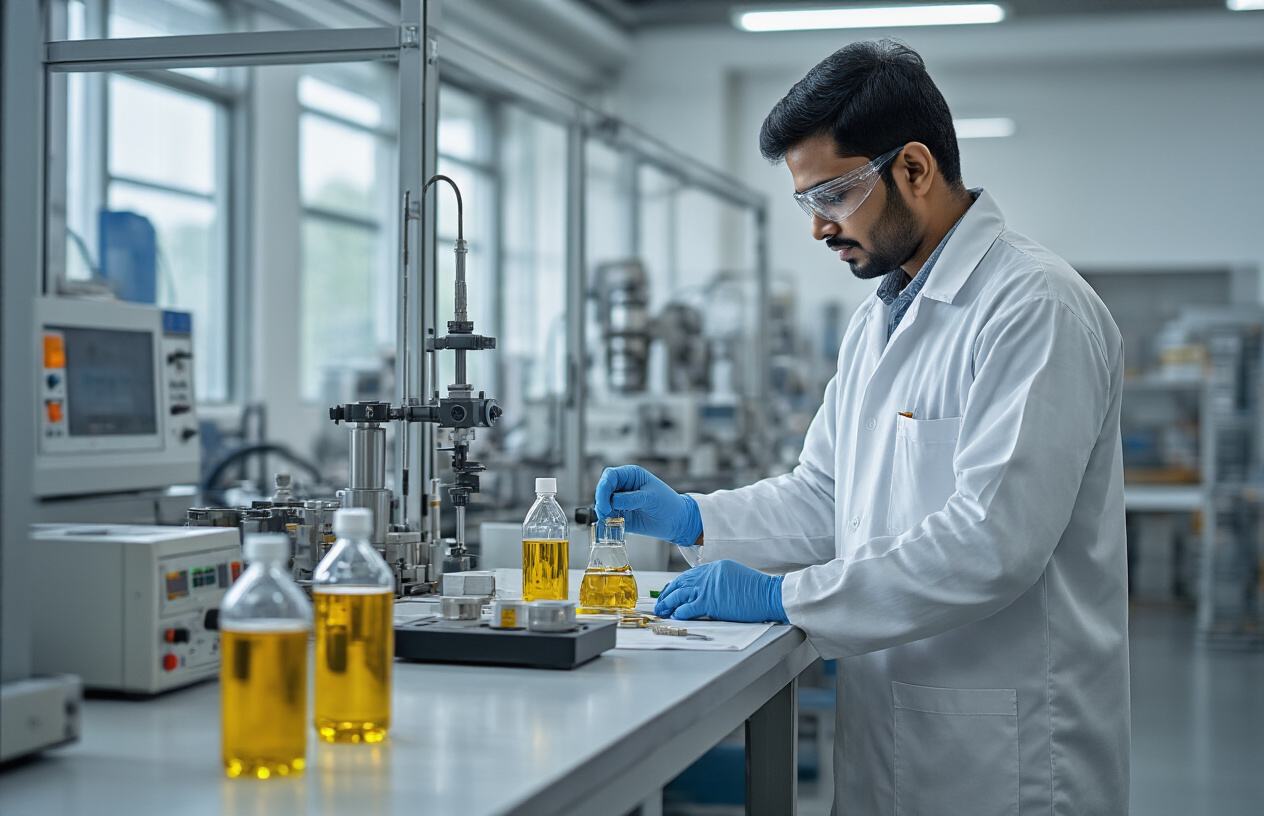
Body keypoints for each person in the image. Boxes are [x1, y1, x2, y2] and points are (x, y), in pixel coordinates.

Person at [595, 39, 1129, 816]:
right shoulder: (877, 321)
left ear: (913, 168)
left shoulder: (1033, 307)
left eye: (834, 195)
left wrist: (785, 597)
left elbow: (993, 544)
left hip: (1005, 753)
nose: (819, 227)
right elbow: (827, 495)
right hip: (890, 728)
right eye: (806, 202)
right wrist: (696, 518)